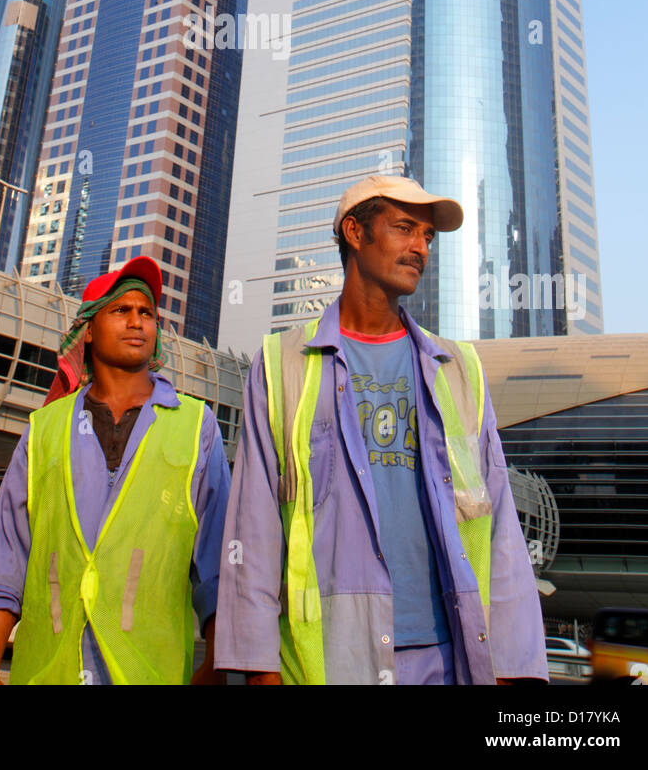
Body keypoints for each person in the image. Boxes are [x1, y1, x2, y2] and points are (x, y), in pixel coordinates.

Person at [214, 174, 549, 686]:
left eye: (427, 236)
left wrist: (510, 663)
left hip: (447, 654)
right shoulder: (282, 363)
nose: (421, 247)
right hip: (328, 656)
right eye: (403, 229)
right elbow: (253, 524)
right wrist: (258, 668)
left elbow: (499, 521)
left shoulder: (459, 368)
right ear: (355, 231)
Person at [0, 255, 231, 685]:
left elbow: (218, 563)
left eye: (146, 313)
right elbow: (5, 558)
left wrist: (216, 663)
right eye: (121, 310)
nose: (137, 322)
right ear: (88, 330)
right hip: (45, 674)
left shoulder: (196, 427)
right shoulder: (44, 430)